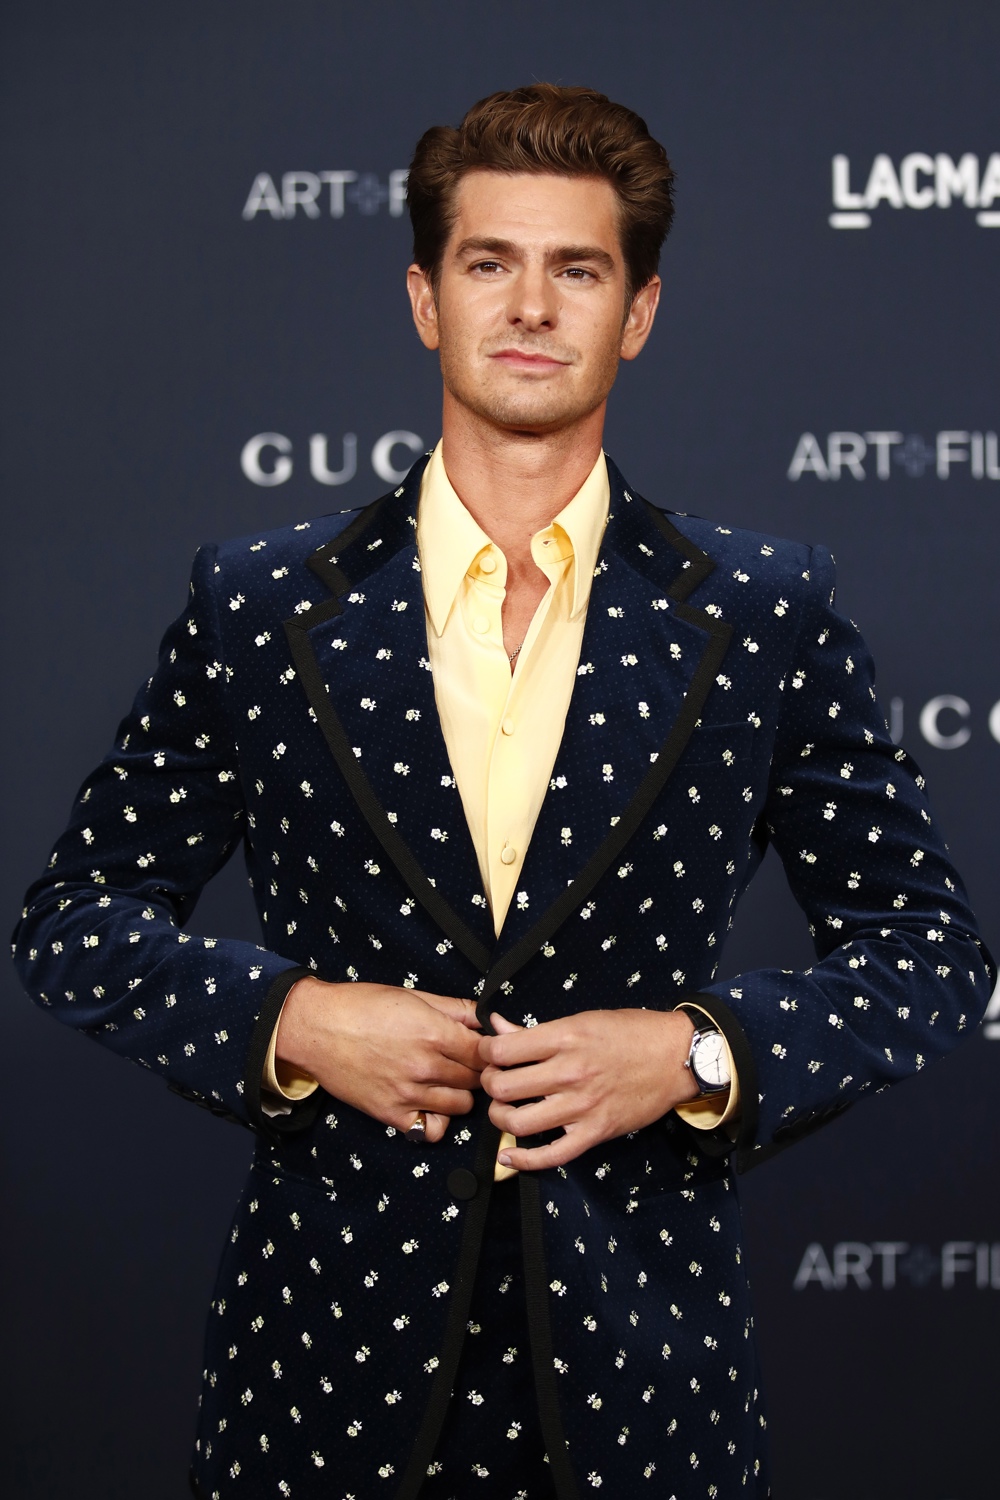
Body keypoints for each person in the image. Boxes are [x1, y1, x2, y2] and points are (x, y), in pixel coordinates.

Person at [14, 85, 991, 1500]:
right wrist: (291, 1019)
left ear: (638, 313)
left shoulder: (764, 613)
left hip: (646, 1393)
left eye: (577, 269)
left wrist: (696, 1054)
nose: (531, 305)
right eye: (490, 262)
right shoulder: (261, 605)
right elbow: (75, 920)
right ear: (426, 298)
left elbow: (930, 956)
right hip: (323, 1386)